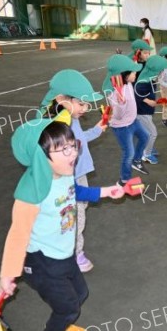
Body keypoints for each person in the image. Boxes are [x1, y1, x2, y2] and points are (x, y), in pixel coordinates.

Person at [0, 115, 124, 331]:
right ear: (40, 157)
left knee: (80, 294)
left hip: (63, 254)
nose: (72, 153)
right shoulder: (31, 192)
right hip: (42, 262)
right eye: (62, 149)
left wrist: (105, 191)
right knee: (66, 307)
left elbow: (74, 192)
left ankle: (62, 326)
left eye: (72, 145)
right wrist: (8, 275)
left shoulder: (63, 172)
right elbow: (17, 234)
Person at [39, 70, 106, 273]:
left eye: (86, 104)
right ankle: (74, 254)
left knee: (78, 215)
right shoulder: (54, 126)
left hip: (80, 174)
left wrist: (97, 130)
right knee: (73, 218)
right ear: (61, 99)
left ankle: (70, 249)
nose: (85, 108)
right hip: (67, 180)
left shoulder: (71, 118)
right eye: (81, 103)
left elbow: (79, 139)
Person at [103, 54, 149, 184]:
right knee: (128, 152)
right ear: (124, 74)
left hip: (133, 121)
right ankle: (124, 180)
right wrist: (121, 103)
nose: (136, 73)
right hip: (122, 127)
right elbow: (117, 116)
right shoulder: (114, 93)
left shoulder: (128, 83)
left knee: (145, 137)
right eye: (133, 72)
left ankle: (137, 160)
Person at [135, 55, 167, 165]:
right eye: (161, 70)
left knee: (148, 132)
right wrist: (151, 102)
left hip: (146, 111)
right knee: (152, 133)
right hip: (142, 112)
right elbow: (137, 94)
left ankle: (147, 148)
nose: (162, 72)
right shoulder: (143, 82)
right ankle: (146, 155)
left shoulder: (149, 77)